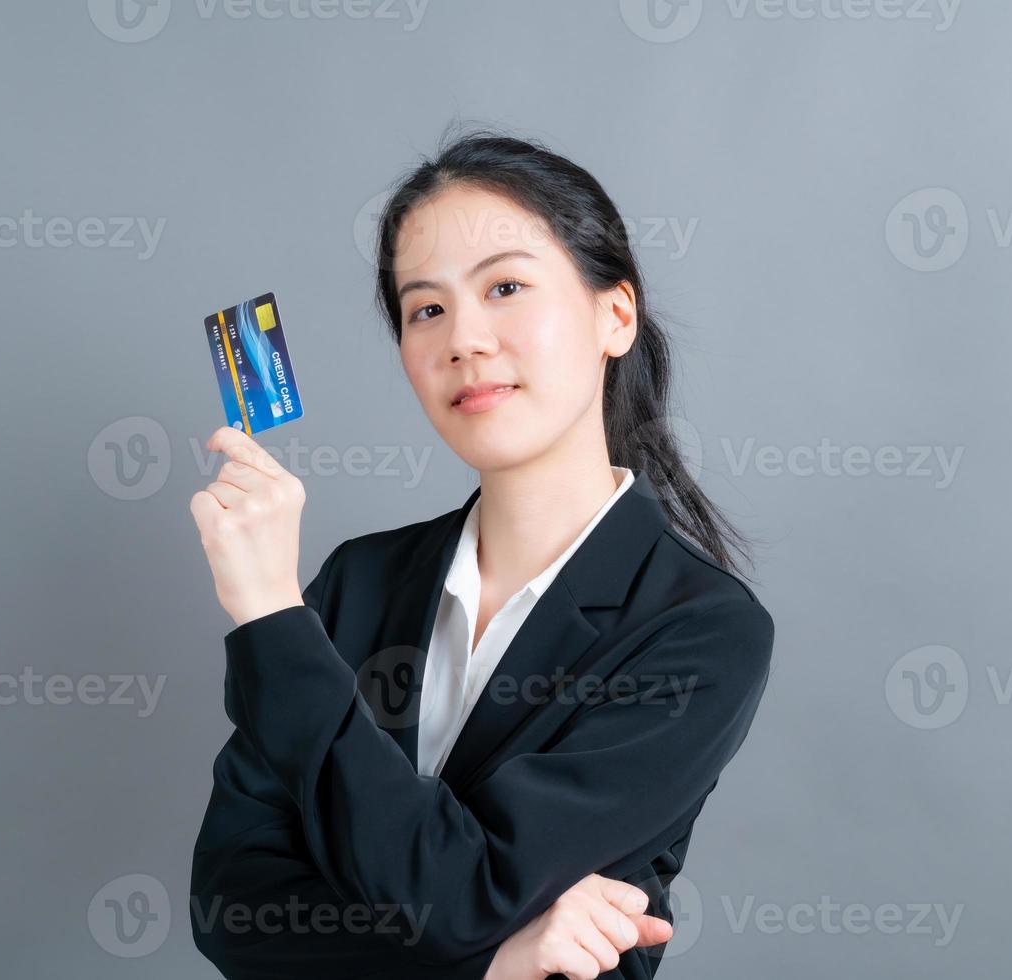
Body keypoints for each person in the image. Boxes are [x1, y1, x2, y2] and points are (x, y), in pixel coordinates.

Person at [187, 127, 775, 979]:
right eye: (426, 308)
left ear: (615, 315)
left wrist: (274, 615)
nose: (463, 338)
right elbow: (233, 907)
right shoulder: (357, 582)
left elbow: (461, 895)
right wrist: (495, 965)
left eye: (505, 286)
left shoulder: (700, 629)